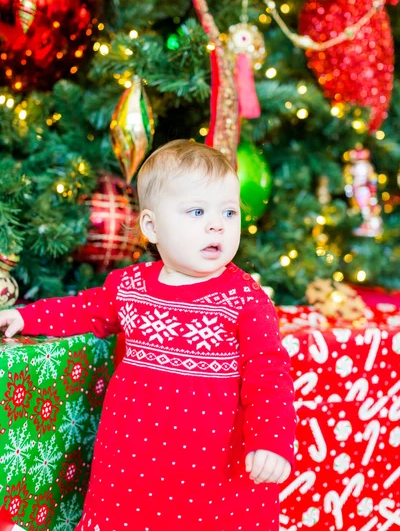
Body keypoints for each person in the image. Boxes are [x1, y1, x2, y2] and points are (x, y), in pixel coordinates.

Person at [0, 139, 296, 531]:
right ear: (151, 226)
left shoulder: (244, 298)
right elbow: (85, 311)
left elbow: (269, 373)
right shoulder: (130, 286)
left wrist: (271, 441)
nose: (217, 224)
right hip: (131, 464)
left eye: (229, 211)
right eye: (197, 211)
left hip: (214, 474)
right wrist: (24, 317)